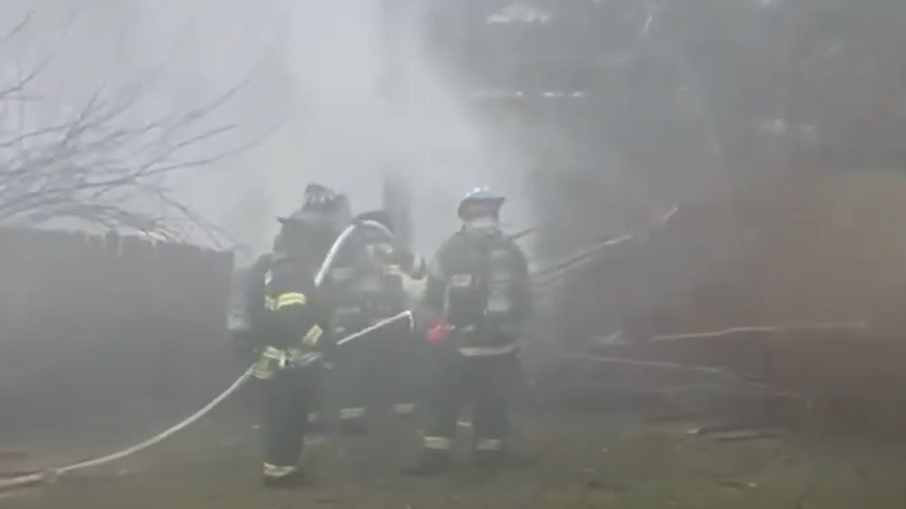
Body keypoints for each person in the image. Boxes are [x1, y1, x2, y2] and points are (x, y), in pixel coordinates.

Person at [402, 186, 533, 476]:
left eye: (486, 212)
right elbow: (525, 297)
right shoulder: (496, 250)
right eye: (480, 212)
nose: (483, 218)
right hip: (479, 344)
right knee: (469, 400)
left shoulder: (481, 250)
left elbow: (522, 294)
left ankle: (462, 454)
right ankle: (463, 454)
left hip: (480, 344)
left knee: (468, 399)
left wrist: (517, 329)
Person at [323, 209, 427, 435]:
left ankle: (402, 410)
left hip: (391, 317)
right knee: (353, 369)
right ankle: (351, 418)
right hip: (354, 320)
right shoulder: (345, 250)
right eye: (371, 235)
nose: (375, 240)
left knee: (398, 364)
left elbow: (420, 271)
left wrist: (400, 256)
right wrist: (358, 268)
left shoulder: (394, 251)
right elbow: (328, 280)